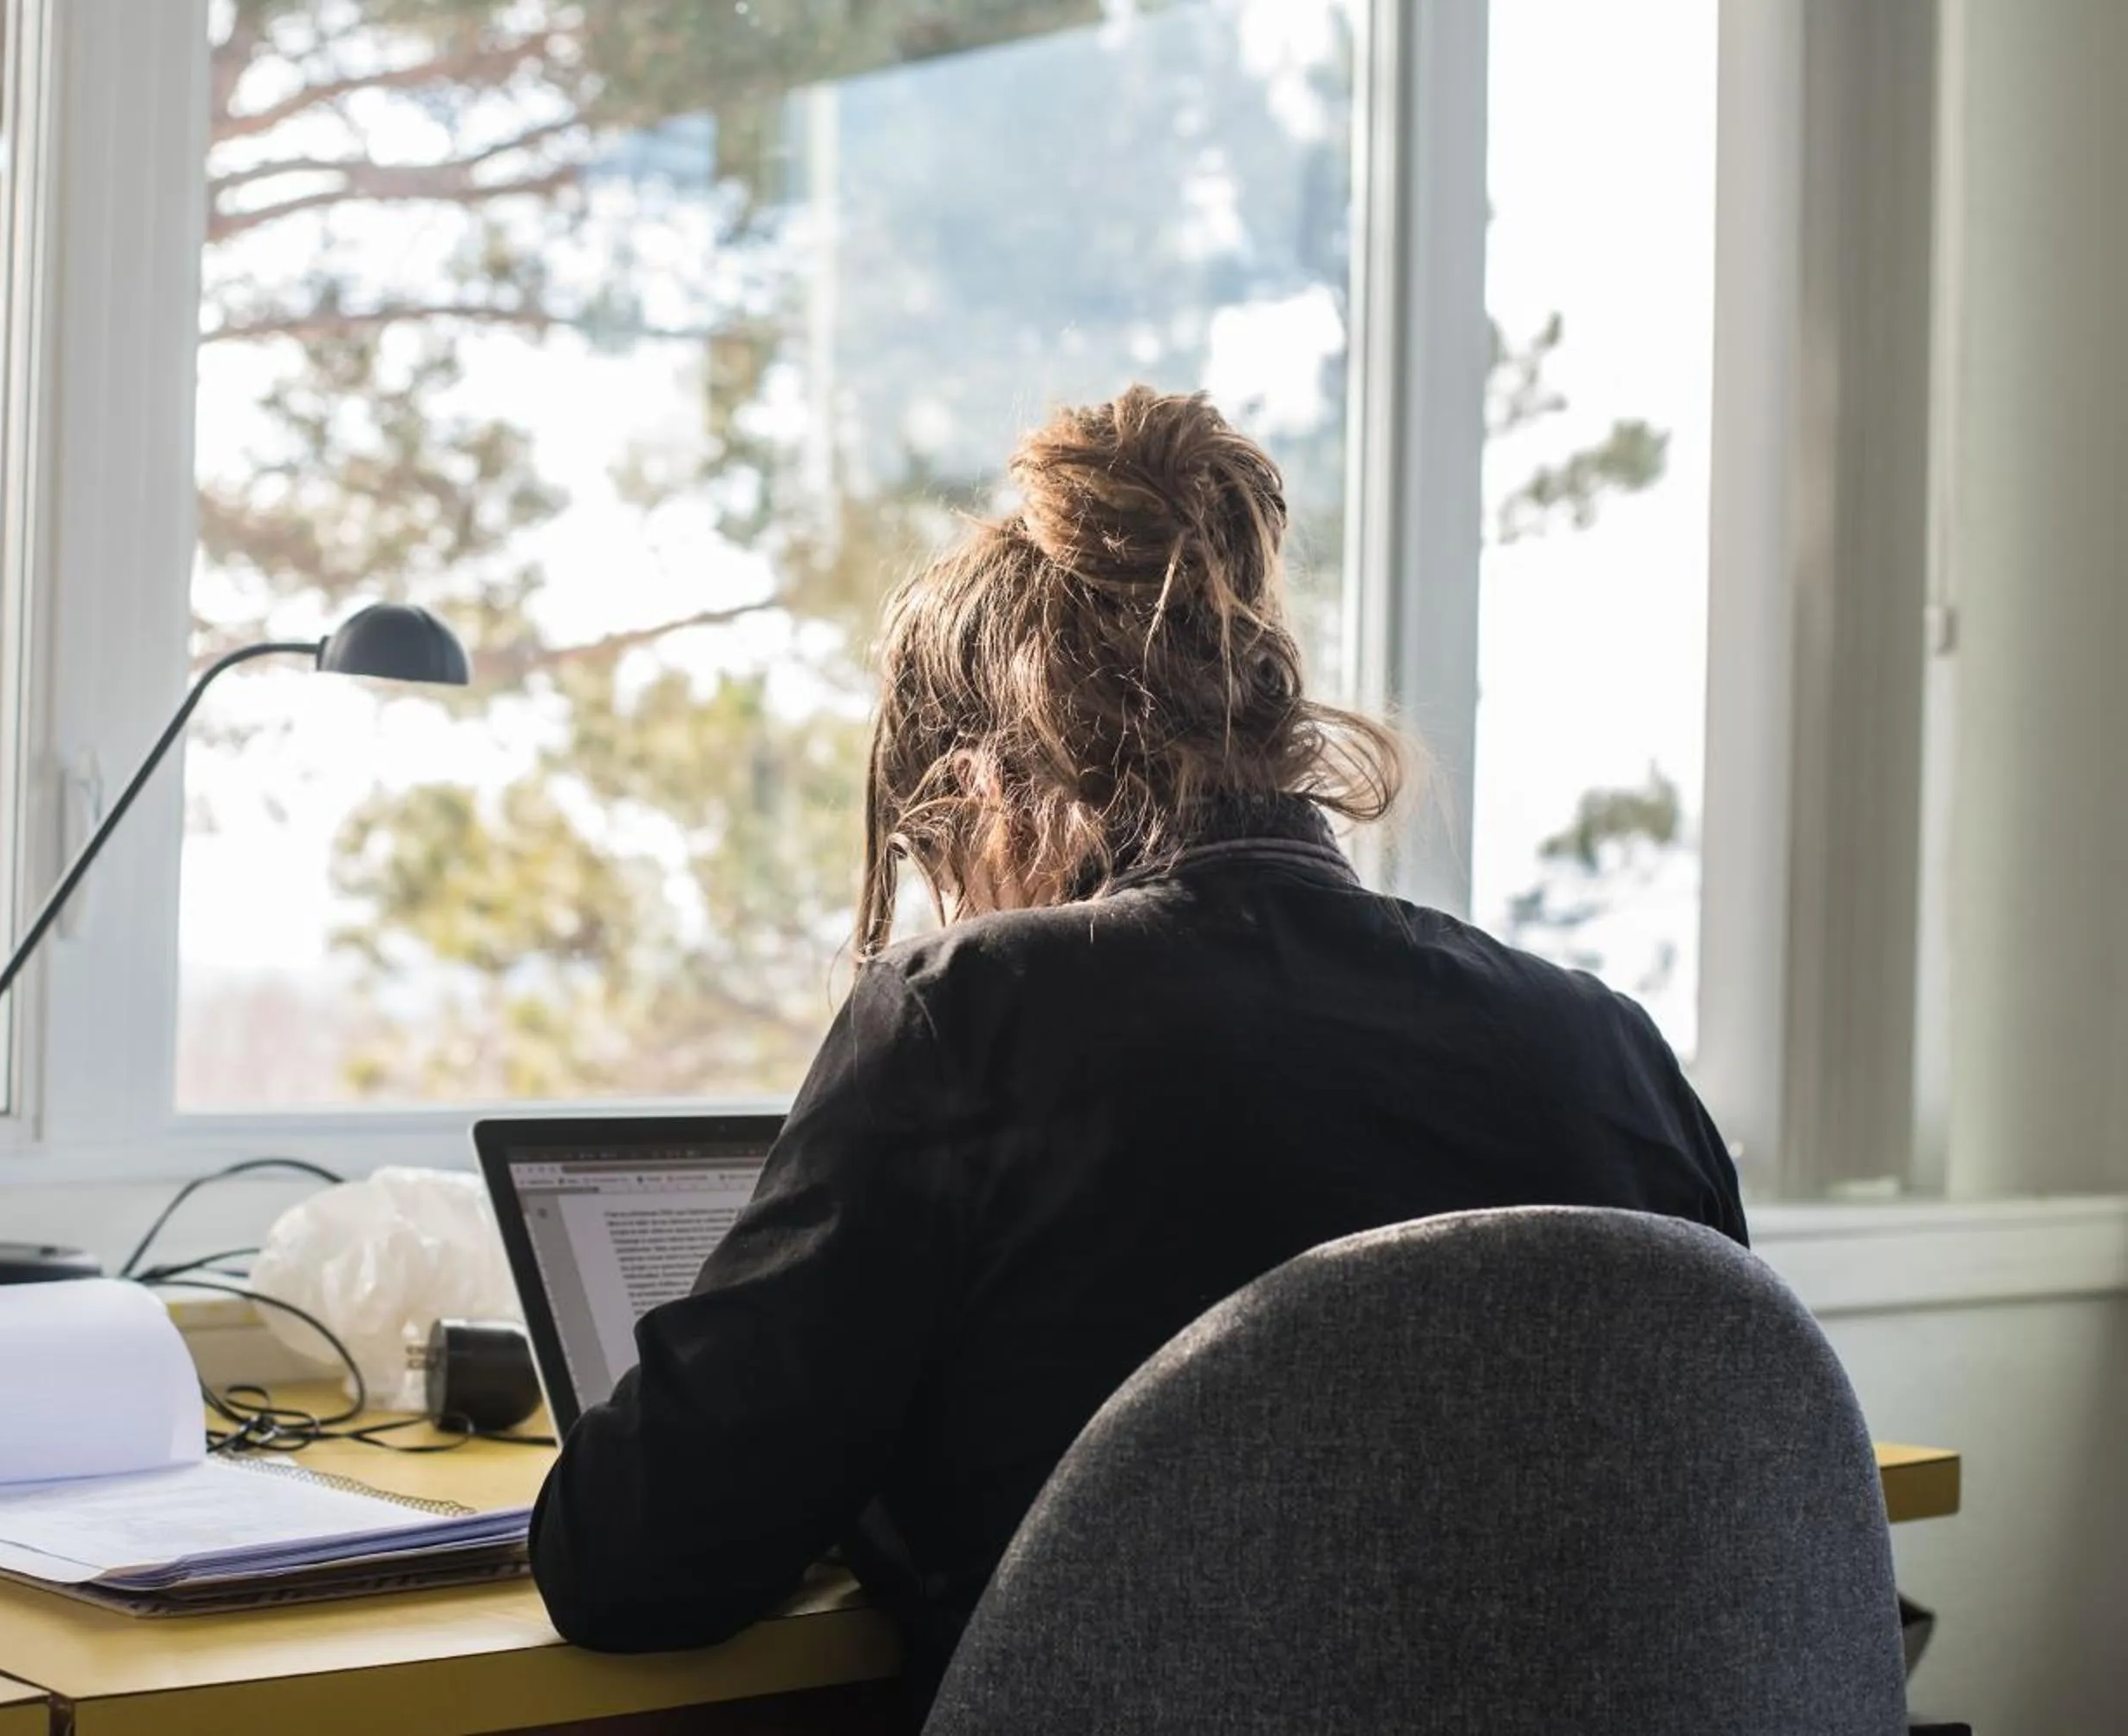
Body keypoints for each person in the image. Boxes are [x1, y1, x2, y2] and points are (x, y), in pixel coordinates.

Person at [529, 386, 1745, 1705]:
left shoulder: (973, 1020)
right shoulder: (1608, 1047)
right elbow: (1742, 1500)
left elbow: (630, 1563)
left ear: (986, 783)